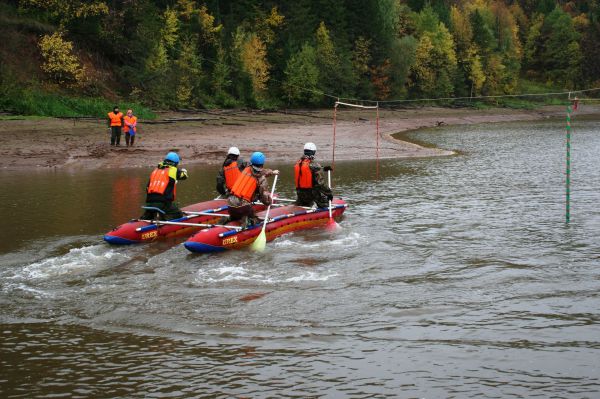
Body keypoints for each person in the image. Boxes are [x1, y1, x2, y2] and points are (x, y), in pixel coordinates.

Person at [227, 152, 279, 228]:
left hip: (230, 204)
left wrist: (272, 172)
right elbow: (265, 197)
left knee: (236, 216)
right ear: (262, 163)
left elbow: (261, 172)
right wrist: (269, 202)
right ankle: (247, 223)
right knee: (254, 220)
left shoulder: (246, 168)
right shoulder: (261, 179)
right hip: (243, 207)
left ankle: (228, 220)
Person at [140, 152, 188, 220]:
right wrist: (184, 171)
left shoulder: (155, 171)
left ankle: (148, 217)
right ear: (176, 163)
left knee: (148, 215)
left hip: (149, 202)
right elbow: (184, 176)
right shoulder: (173, 170)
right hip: (163, 204)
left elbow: (147, 188)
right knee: (178, 214)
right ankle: (163, 219)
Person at [294, 142, 333, 208]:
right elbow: (321, 184)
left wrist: (323, 168)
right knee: (325, 203)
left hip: (300, 194)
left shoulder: (298, 163)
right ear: (313, 152)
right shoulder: (313, 165)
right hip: (311, 194)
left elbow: (311, 169)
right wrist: (329, 193)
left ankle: (303, 204)